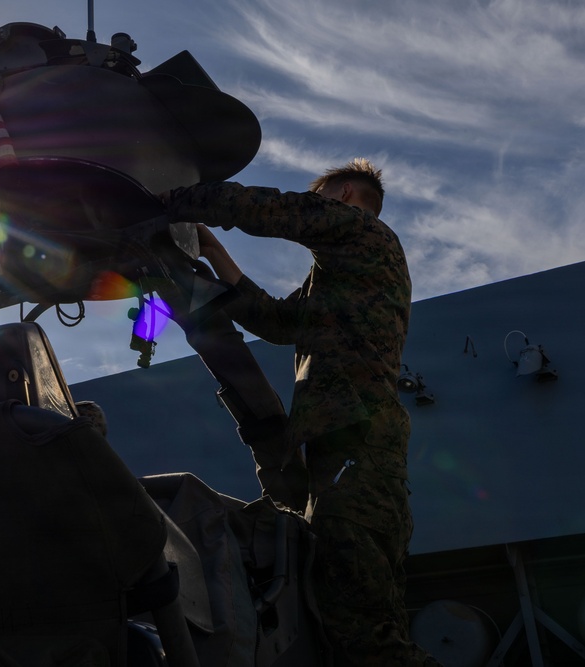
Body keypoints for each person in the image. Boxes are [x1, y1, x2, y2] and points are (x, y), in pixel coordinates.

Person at [163, 159, 440, 665]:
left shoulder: (364, 233)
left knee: (365, 637)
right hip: (339, 455)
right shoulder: (339, 278)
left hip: (358, 450)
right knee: (346, 622)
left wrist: (171, 200)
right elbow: (275, 321)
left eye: (323, 196)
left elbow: (280, 211)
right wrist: (215, 252)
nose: (317, 203)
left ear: (347, 193)